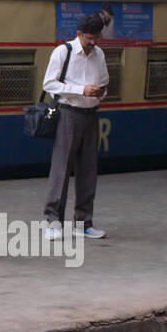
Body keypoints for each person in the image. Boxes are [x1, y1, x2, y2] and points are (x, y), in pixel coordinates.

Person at [41, 15, 110, 240]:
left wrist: (100, 92)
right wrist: (82, 90)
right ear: (79, 34)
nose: (94, 43)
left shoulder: (99, 54)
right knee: (61, 168)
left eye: (97, 38)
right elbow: (49, 84)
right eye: (90, 38)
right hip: (68, 114)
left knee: (89, 170)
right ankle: (52, 222)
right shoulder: (63, 52)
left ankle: (83, 223)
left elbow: (105, 83)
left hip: (91, 115)